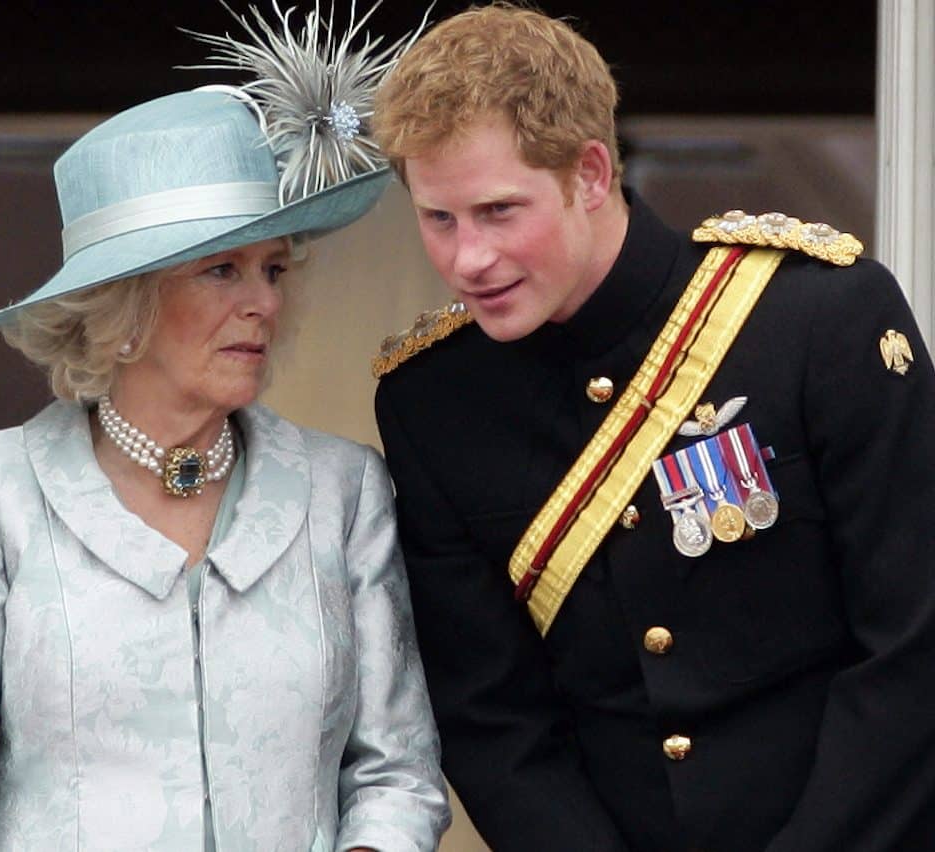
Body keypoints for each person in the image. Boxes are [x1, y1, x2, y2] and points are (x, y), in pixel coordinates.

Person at [370, 4, 935, 851]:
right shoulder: (434, 400)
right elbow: (495, 720)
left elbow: (912, 646)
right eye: (437, 219)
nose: (465, 260)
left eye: (497, 212)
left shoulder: (818, 318)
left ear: (590, 174)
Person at [0, 7, 450, 850]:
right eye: (221, 270)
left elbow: (395, 775)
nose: (264, 301)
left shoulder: (342, 490)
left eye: (274, 269)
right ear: (123, 307)